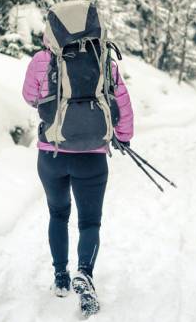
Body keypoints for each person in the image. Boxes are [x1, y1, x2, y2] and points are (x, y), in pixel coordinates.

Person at [21, 16, 134, 316]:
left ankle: (61, 277)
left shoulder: (41, 60)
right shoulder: (104, 59)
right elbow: (121, 99)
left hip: (52, 153)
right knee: (89, 222)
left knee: (58, 214)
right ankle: (85, 273)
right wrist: (123, 137)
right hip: (93, 155)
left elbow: (30, 97)